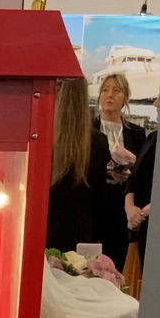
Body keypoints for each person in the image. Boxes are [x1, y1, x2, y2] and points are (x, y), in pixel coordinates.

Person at [47, 77, 109, 254]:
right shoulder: (98, 142)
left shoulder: (43, 139)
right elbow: (99, 201)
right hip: (81, 236)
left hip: (43, 229)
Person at [94, 73, 146, 271]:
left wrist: (128, 173)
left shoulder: (136, 133)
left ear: (125, 98)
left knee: (115, 264)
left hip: (120, 205)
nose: (110, 95)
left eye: (116, 91)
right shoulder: (87, 128)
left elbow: (142, 171)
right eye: (105, 90)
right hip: (94, 202)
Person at [125, 93, 160, 266]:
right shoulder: (152, 138)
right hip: (142, 225)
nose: (155, 103)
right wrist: (129, 208)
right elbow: (133, 176)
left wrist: (142, 213)